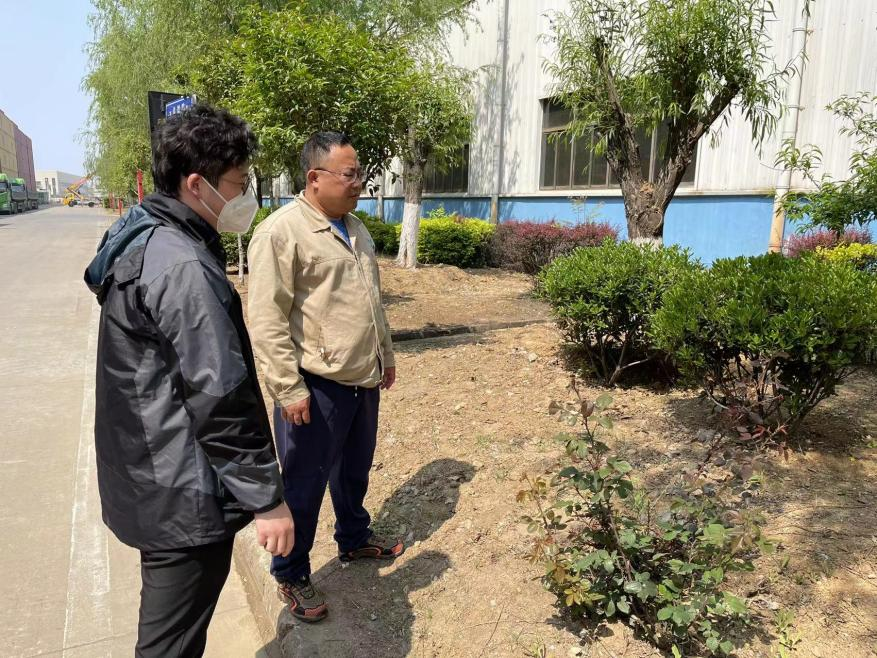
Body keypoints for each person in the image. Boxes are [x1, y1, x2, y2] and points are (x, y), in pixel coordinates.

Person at [84, 104, 294, 657]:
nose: (246, 196)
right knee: (168, 645)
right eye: (240, 184)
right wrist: (267, 499)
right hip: (180, 492)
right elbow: (220, 396)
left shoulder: (144, 237)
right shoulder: (182, 266)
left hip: (151, 473)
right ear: (197, 184)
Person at [246, 131, 402, 623]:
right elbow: (267, 319)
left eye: (361, 174)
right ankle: (291, 572)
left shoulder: (355, 228)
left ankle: (354, 537)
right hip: (314, 388)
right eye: (350, 174)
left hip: (362, 378)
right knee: (304, 485)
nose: (360, 183)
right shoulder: (281, 232)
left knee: (354, 470)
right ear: (315, 178)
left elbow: (371, 301)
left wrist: (385, 356)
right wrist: (287, 388)